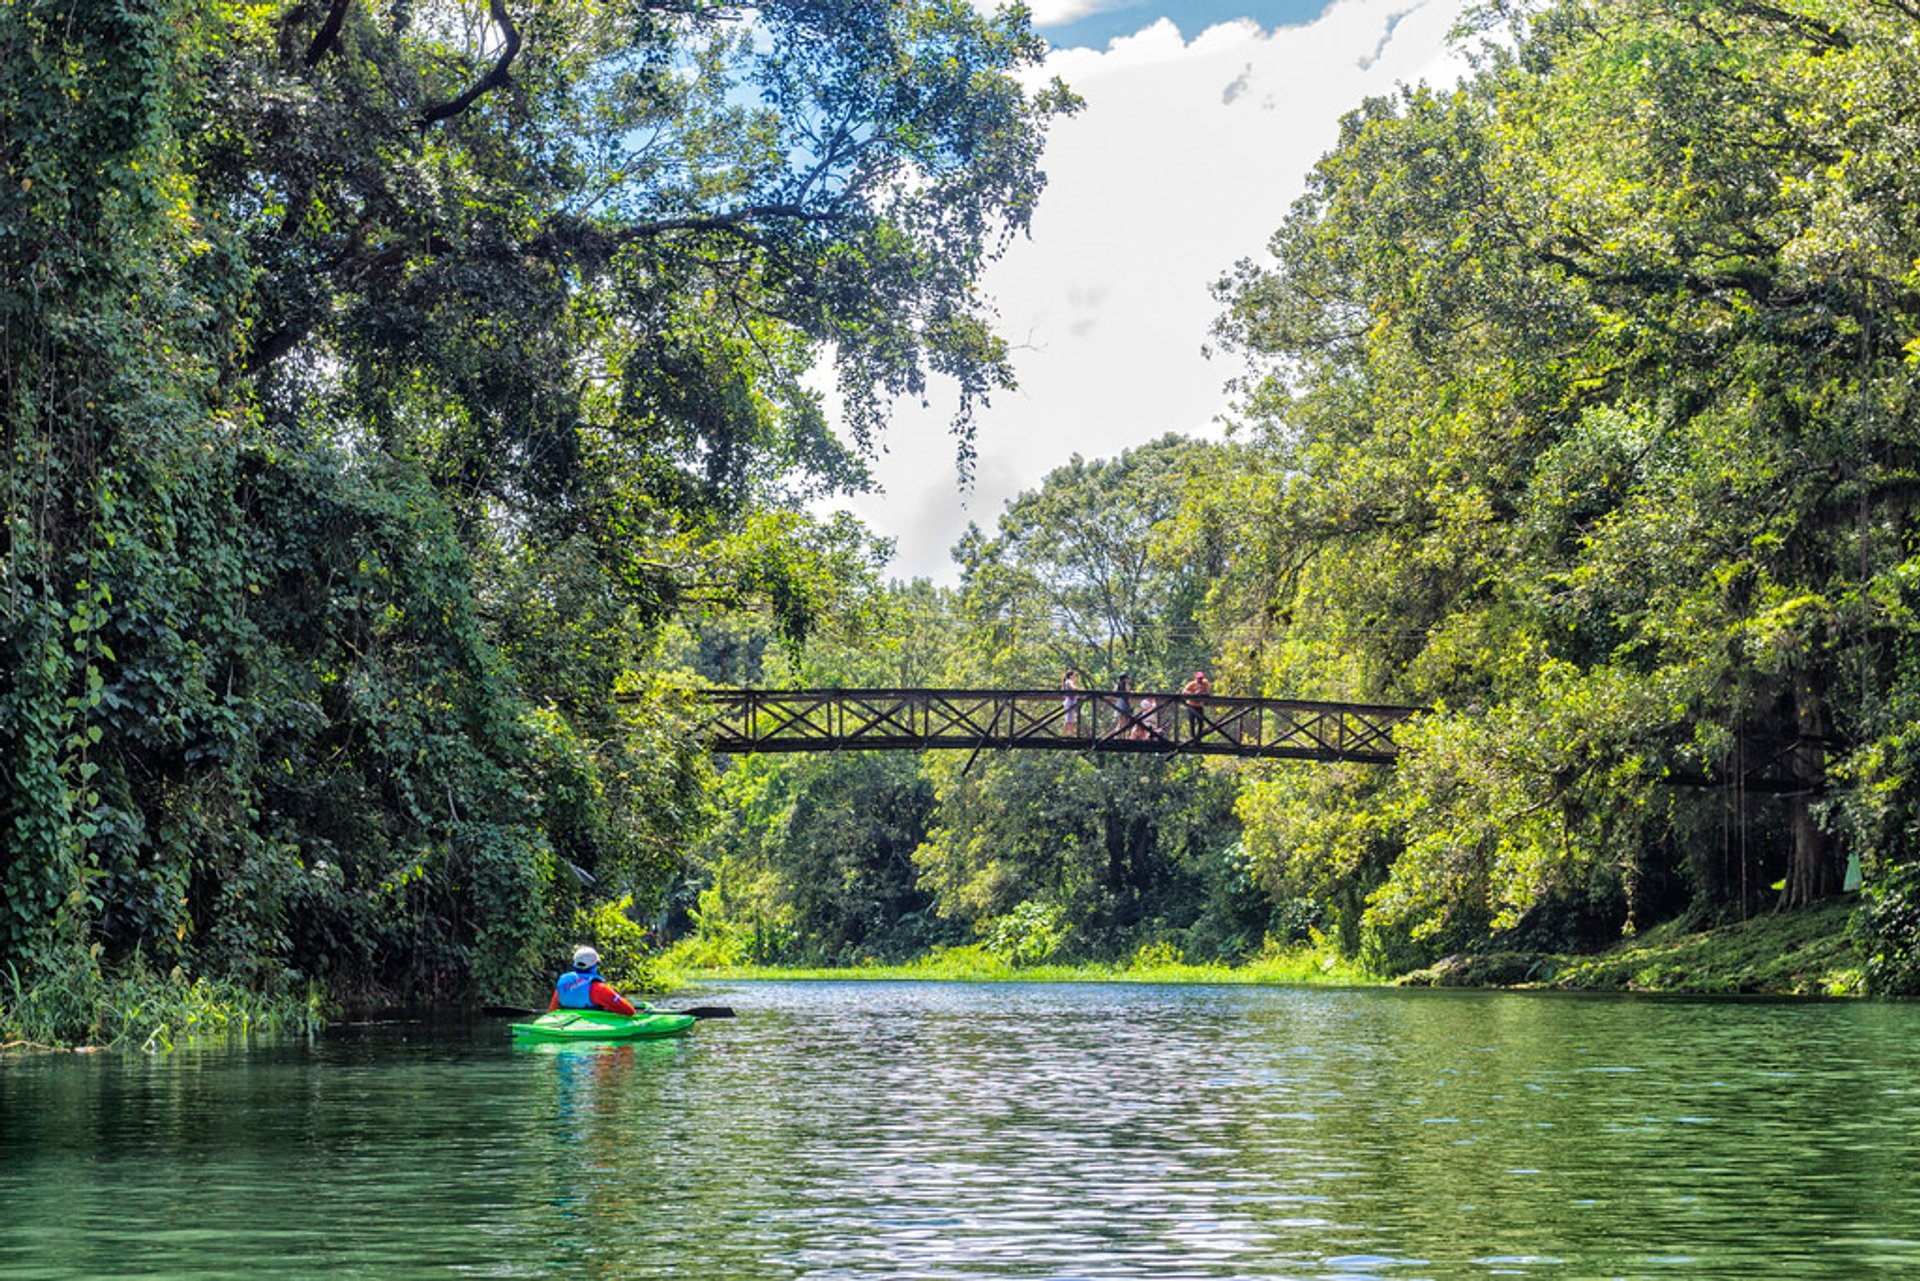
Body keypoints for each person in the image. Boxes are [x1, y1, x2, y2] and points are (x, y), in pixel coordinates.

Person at [548, 944, 638, 1015]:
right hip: (589, 1027)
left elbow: (551, 1011)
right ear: (594, 966)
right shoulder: (598, 988)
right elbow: (629, 1011)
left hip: (565, 1024)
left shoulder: (563, 984)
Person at [1181, 669, 1212, 739]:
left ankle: (1199, 738)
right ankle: (1192, 737)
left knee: (1201, 722)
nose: (1200, 680)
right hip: (1191, 705)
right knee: (1192, 722)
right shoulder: (1192, 684)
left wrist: (1201, 693)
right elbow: (1184, 691)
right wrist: (1193, 694)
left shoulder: (1205, 683)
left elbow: (1207, 692)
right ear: (1196, 679)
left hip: (1199, 706)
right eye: (1199, 679)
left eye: (1201, 679)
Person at [1061, 668, 1083, 736]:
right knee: (1068, 719)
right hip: (1069, 701)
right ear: (1070, 676)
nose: (1075, 677)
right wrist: (1080, 689)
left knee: (1070, 719)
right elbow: (1073, 687)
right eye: (1074, 675)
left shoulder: (1067, 681)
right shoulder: (1069, 681)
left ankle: (1070, 733)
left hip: (1070, 701)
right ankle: (1066, 734)